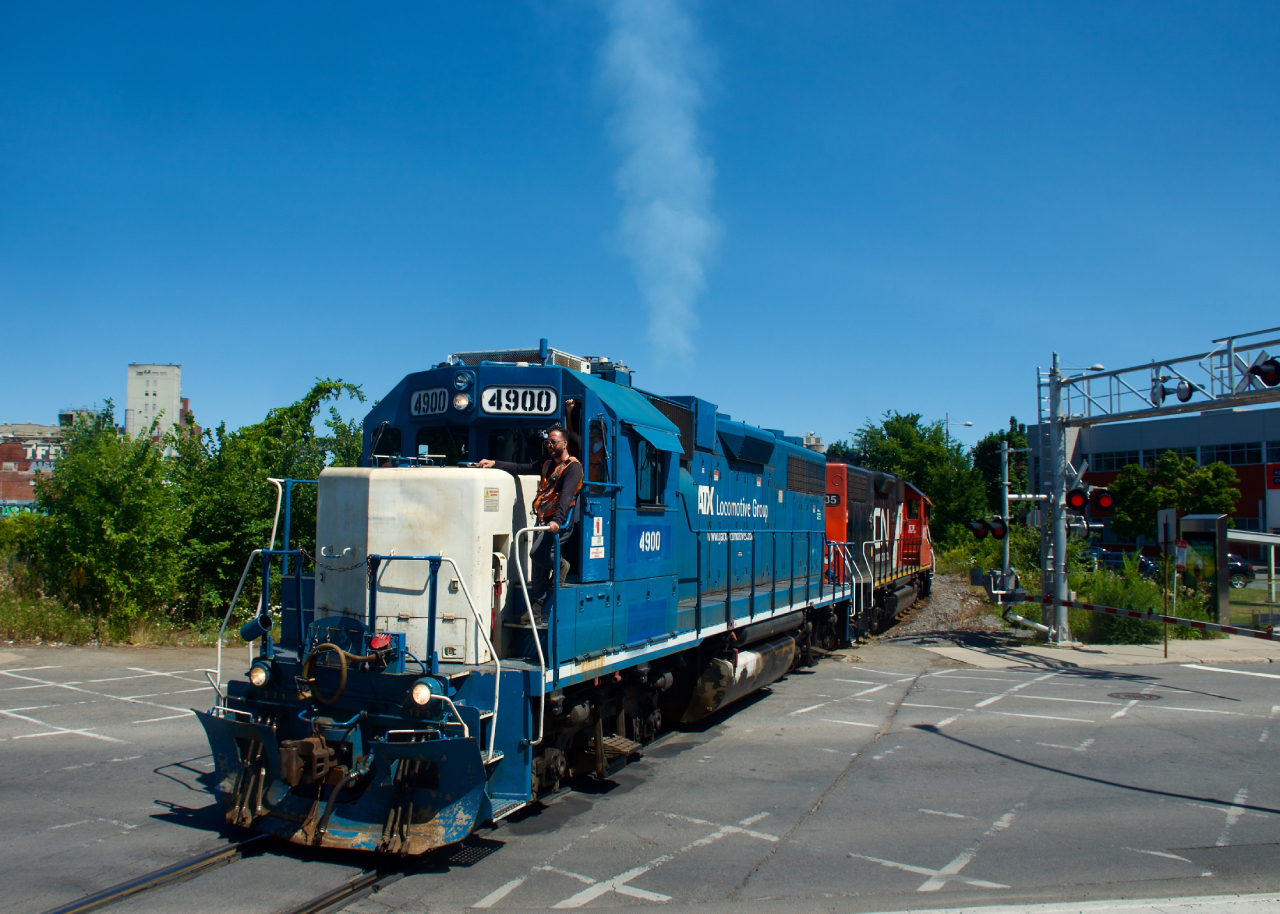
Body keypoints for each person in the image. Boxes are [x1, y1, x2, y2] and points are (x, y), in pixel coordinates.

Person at [476, 426, 583, 622]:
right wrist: (494, 463)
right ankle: (535, 610)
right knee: (538, 568)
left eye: (553, 442)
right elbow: (520, 468)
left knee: (537, 554)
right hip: (542, 520)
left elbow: (567, 496)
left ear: (564, 443)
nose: (549, 445)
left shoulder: (573, 467)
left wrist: (557, 521)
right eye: (547, 442)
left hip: (558, 523)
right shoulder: (546, 464)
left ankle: (562, 565)